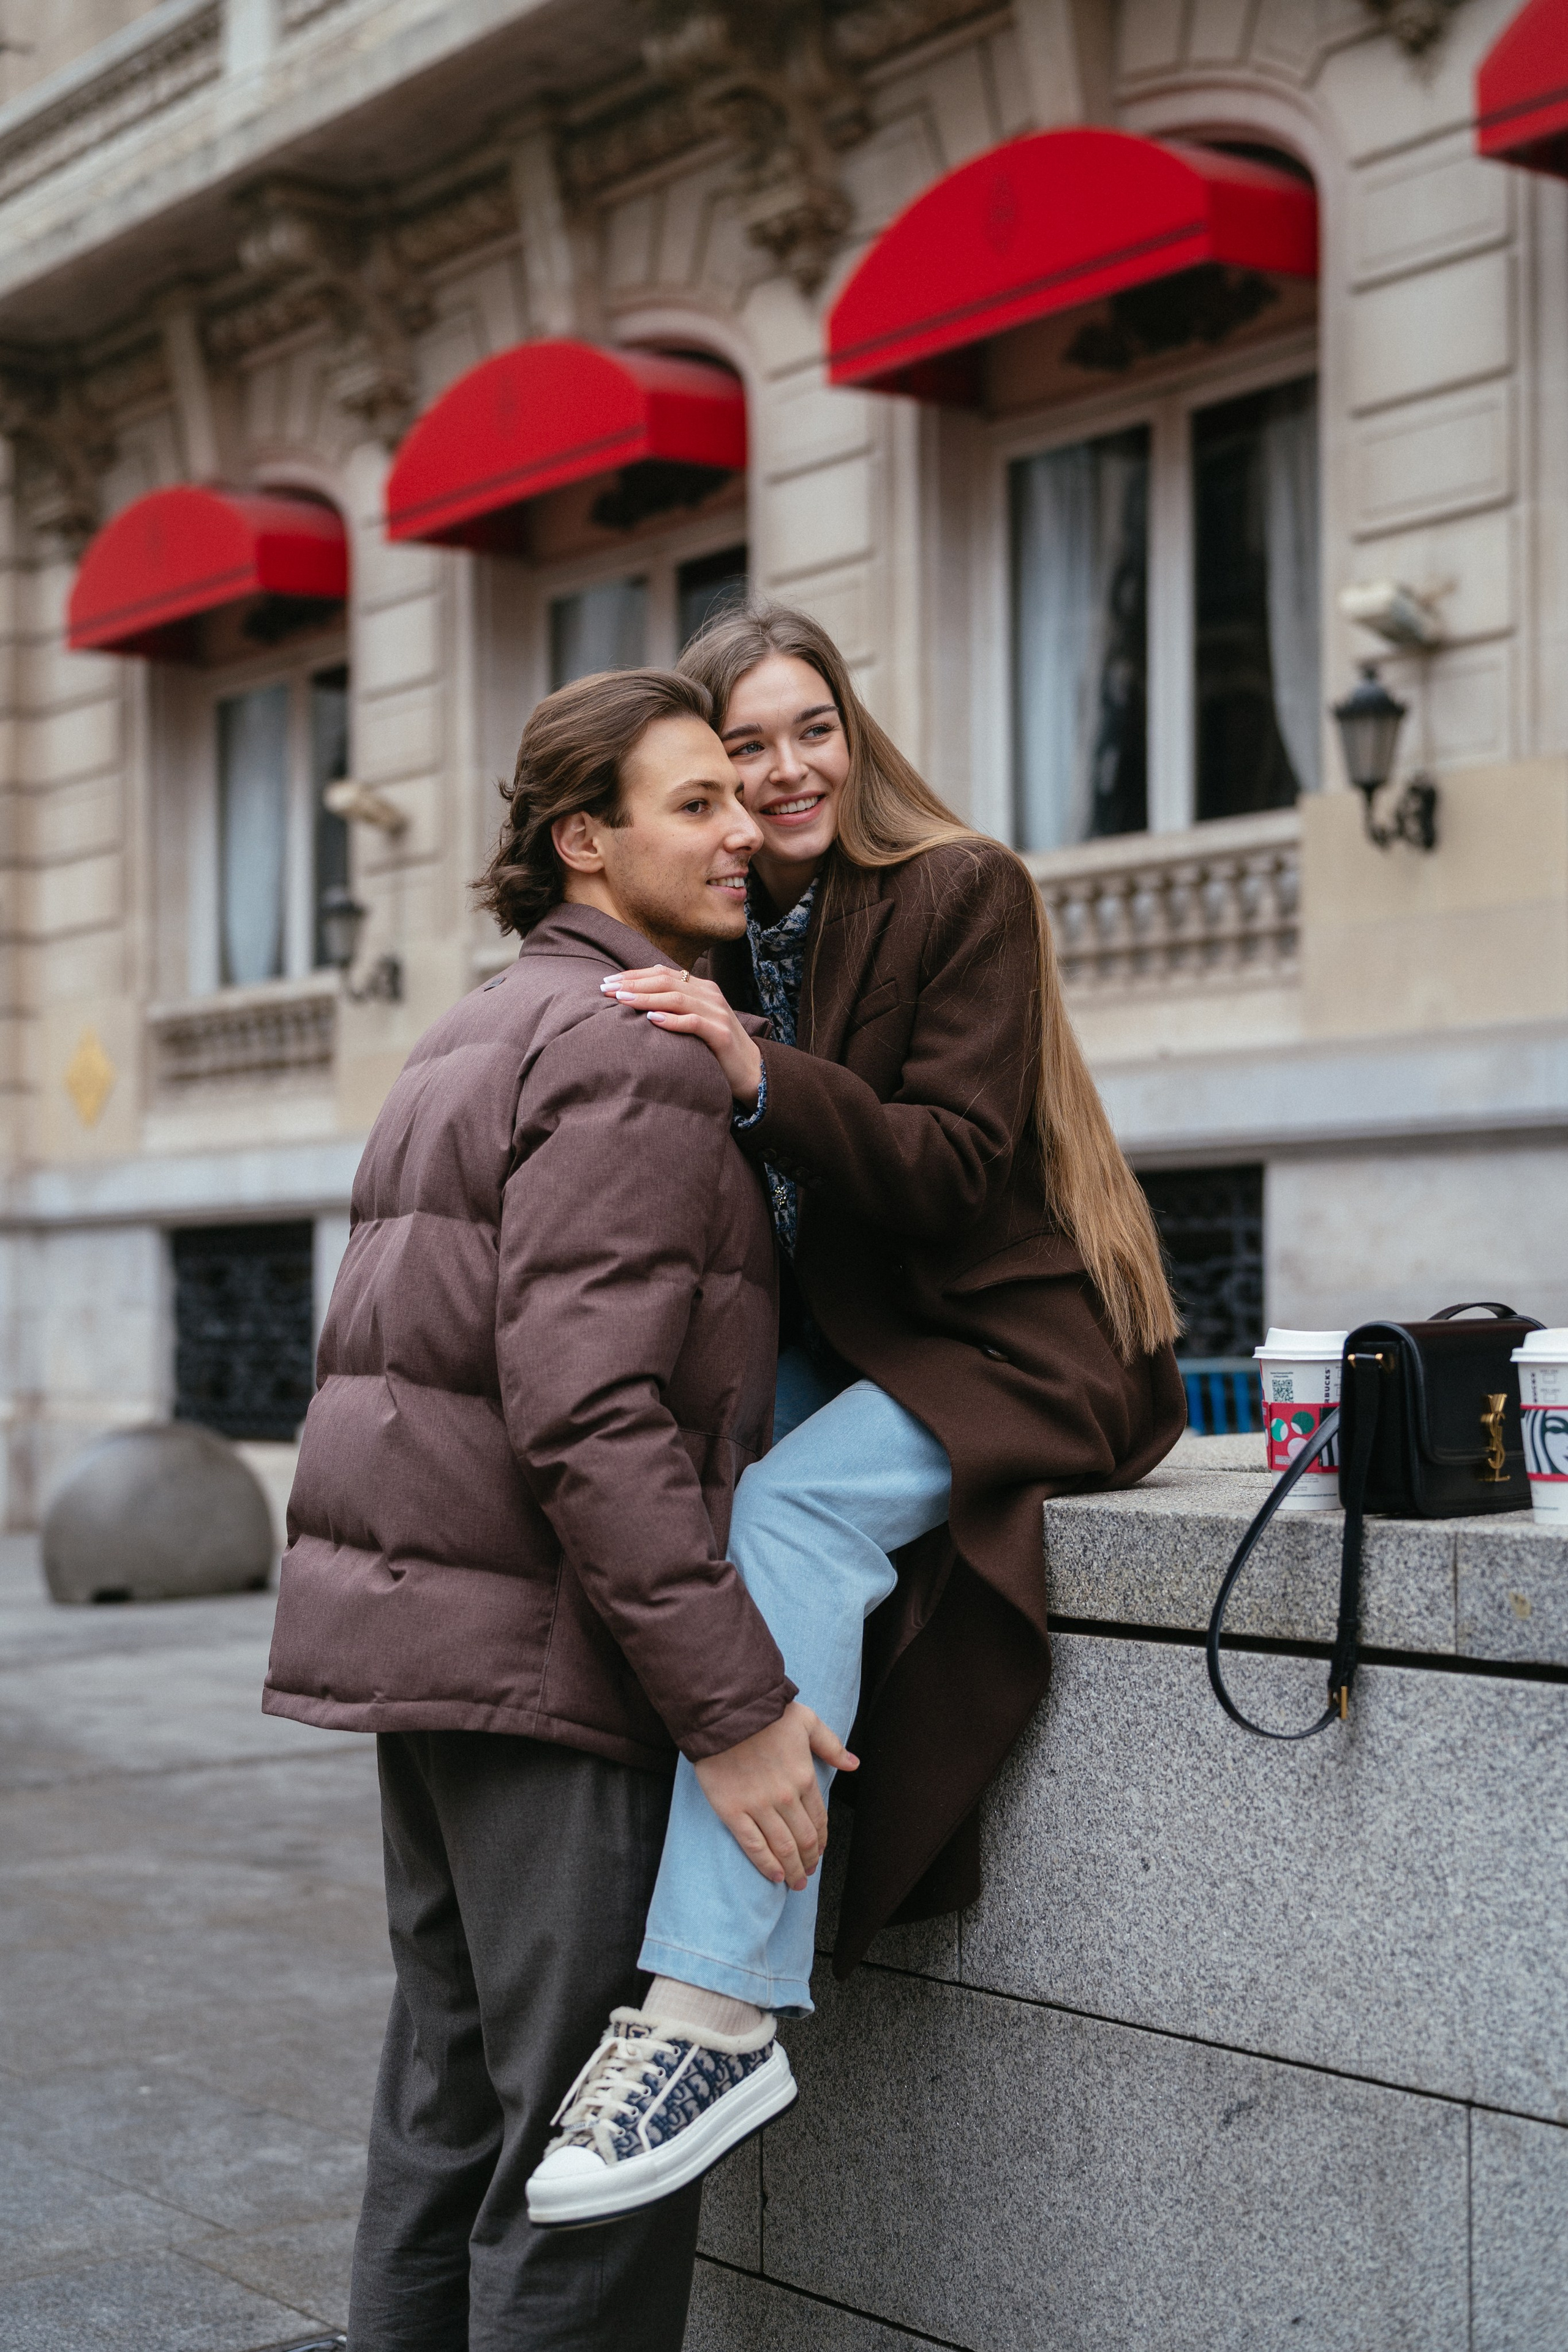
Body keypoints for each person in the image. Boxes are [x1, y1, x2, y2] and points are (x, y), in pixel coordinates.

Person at [526, 604, 1188, 2229]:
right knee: (675, 1500)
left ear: (853, 730)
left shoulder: (959, 887)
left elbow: (954, 1162)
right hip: (868, 1337)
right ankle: (661, 1940)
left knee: (790, 1515)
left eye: (809, 726)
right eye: (740, 749)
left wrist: (751, 1065)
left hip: (1012, 1342)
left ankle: (714, 2013)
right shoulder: (736, 919)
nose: (782, 772)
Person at [262, 666, 851, 2352]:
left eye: (741, 798)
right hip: (547, 1667)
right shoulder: (638, 1047)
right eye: (696, 803)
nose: (746, 826)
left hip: (431, 1642)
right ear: (585, 839)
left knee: (449, 2111)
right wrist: (737, 1714)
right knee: (583, 2169)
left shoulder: (478, 1021)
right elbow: (590, 1412)